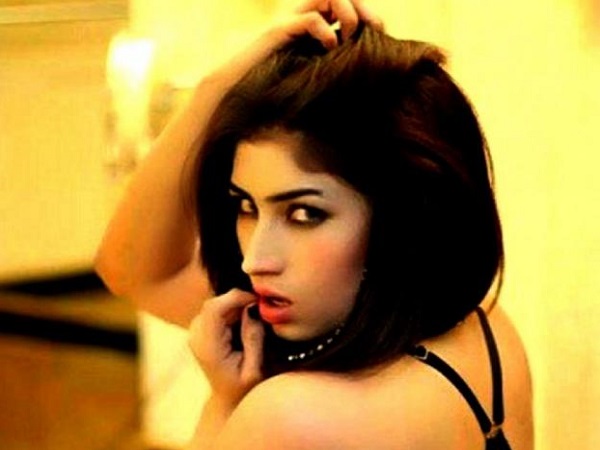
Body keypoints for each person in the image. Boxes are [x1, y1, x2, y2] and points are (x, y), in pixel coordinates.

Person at [95, 1, 534, 448]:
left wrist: (225, 402)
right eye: (247, 206)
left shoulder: (292, 418)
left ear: (400, 217)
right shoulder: (487, 329)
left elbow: (135, 273)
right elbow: (129, 268)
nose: (254, 260)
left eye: (304, 214)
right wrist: (220, 85)